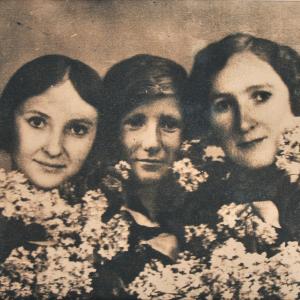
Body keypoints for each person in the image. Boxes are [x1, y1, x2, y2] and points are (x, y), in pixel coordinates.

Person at [187, 32, 300, 242]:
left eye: (261, 96)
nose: (244, 123)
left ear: (295, 99)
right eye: (224, 105)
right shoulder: (198, 218)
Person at [95, 54, 188, 296]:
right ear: (113, 131)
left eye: (169, 124)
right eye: (135, 122)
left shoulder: (202, 218)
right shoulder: (91, 223)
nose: (152, 143)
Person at [0, 54, 104, 260]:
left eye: (77, 129)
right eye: (37, 122)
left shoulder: (107, 235)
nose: (54, 149)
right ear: (8, 121)